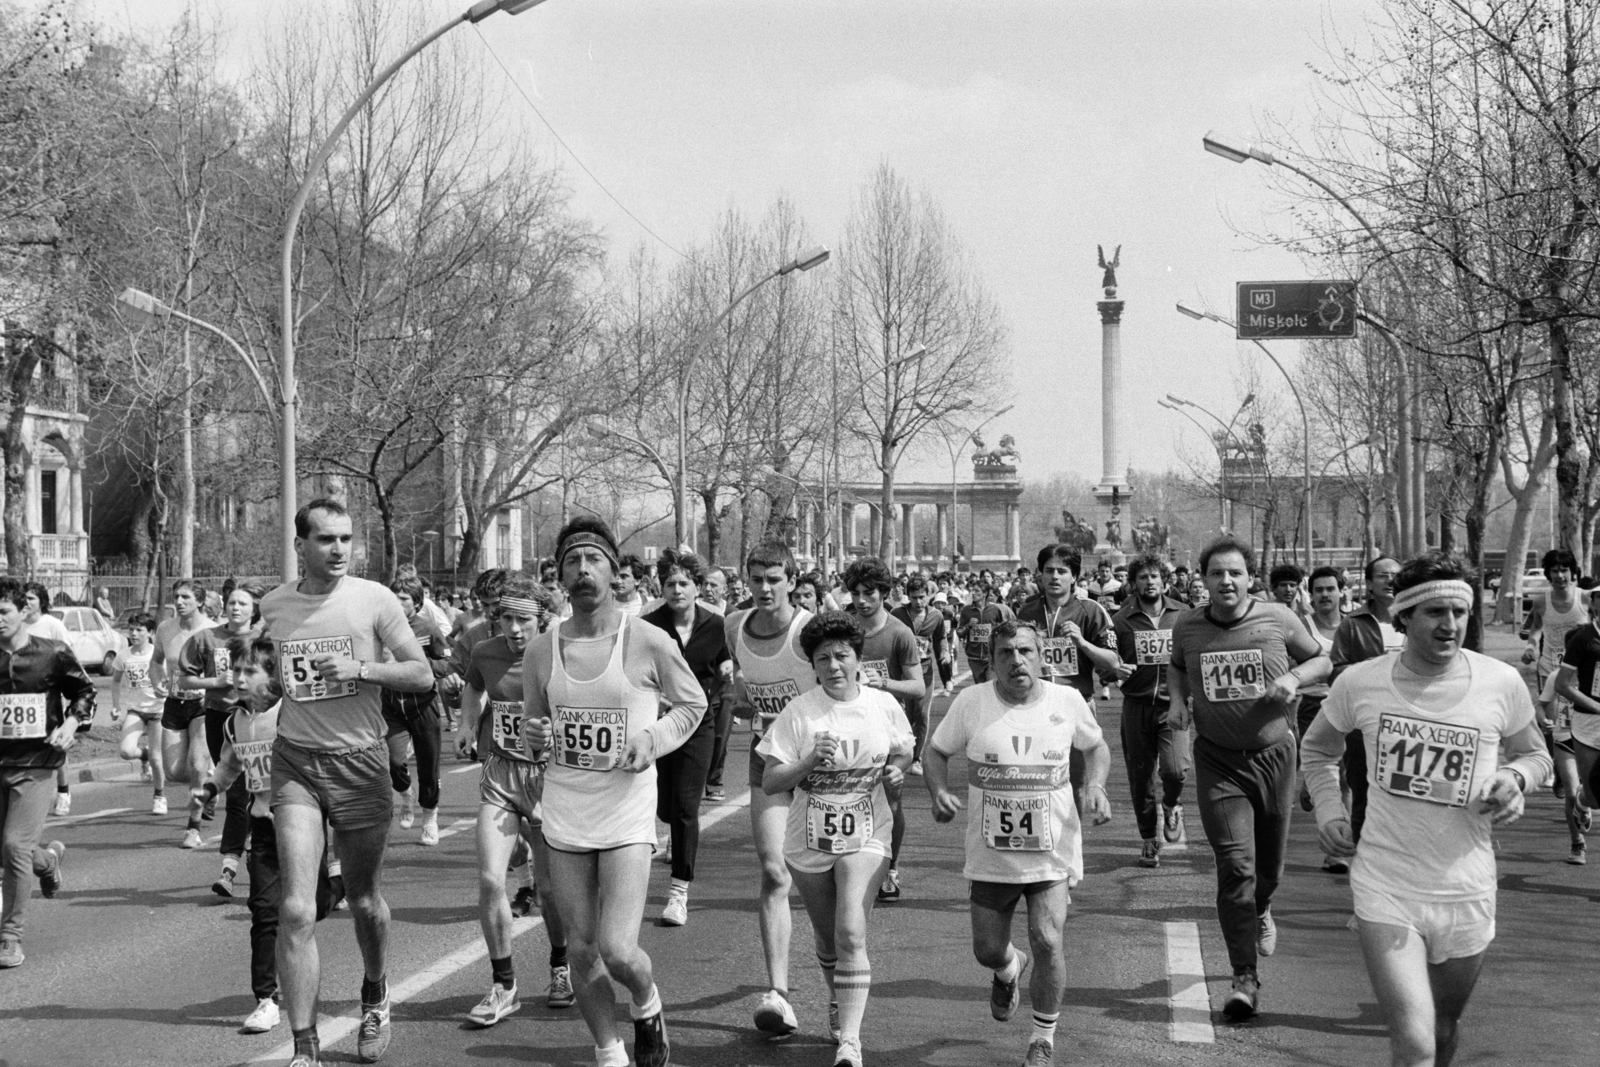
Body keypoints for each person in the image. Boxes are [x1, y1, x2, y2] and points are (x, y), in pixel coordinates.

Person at [1302, 553, 1551, 1067]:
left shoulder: (1499, 682)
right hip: (1386, 882)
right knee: (1414, 1043)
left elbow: (1536, 755)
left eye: (1460, 613)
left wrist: (1515, 778)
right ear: (1405, 617)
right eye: (1436, 612)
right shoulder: (1362, 683)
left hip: (1467, 886)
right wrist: (1329, 809)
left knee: (1442, 1030)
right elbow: (1317, 749)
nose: (1451, 625)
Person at [521, 517, 707, 1067]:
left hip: (626, 810)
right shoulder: (540, 650)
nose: (582, 572)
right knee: (579, 947)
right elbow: (536, 736)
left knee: (619, 950)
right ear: (559, 578)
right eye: (571, 564)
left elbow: (693, 706)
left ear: (614, 570)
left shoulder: (647, 639)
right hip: (566, 809)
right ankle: (609, 1051)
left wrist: (652, 737)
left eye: (593, 561)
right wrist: (537, 739)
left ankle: (647, 1001)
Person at [261, 499, 435, 1067]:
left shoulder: (374, 600)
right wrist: (251, 690)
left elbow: (422, 673)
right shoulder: (275, 605)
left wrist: (362, 669)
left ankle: (376, 990)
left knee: (363, 901)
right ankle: (305, 1045)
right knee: (295, 907)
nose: (338, 550)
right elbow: (271, 683)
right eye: (326, 539)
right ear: (300, 546)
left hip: (360, 763)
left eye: (345, 539)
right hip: (296, 762)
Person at [926, 619, 1112, 1067]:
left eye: (1026, 651)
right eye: (1006, 653)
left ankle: (1042, 1038)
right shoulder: (971, 702)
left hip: (1052, 848)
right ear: (991, 661)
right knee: (987, 949)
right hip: (991, 854)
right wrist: (938, 791)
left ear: (1042, 656)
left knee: (1048, 939)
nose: (1017, 661)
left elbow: (1096, 747)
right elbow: (934, 752)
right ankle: (1009, 968)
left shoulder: (1066, 700)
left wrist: (1097, 786)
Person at [1167, 536, 1330, 1020]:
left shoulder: (1277, 617)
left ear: (1249, 578)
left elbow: (1320, 658)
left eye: (1235, 573)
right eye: (1216, 573)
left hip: (1275, 754)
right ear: (1204, 580)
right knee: (1236, 865)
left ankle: (1261, 908)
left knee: (1268, 871)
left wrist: (1294, 680)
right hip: (1219, 761)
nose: (1226, 582)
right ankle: (1244, 976)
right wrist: (1178, 701)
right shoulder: (1189, 625)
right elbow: (1178, 667)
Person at [758, 610, 914, 1067]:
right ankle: (838, 999)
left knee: (851, 930)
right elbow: (770, 781)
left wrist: (898, 771)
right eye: (823, 658)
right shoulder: (799, 712)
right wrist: (808, 763)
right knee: (828, 940)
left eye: (842, 656)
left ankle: (850, 1041)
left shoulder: (883, 705)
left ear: (858, 658)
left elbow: (904, 749)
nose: (833, 666)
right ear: (813, 664)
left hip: (868, 831)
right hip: (808, 838)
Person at [199, 637, 333, 1035]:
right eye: (236, 671)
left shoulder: (292, 715)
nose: (238, 679)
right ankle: (266, 999)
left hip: (304, 823)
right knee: (264, 912)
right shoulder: (234, 721)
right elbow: (228, 766)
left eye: (248, 672)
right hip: (264, 826)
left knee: (315, 906)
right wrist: (208, 790)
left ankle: (304, 954)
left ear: (272, 676)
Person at [458, 575, 573, 1025]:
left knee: (548, 888)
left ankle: (560, 966)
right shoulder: (486, 652)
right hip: (502, 774)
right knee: (490, 879)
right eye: (506, 617)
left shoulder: (558, 652)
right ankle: (504, 986)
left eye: (523, 618)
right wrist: (467, 725)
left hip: (550, 778)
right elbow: (474, 687)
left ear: (541, 619)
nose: (514, 627)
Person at [724, 541, 817, 1040]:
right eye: (756, 578)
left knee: (827, 882)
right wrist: (740, 700)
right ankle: (778, 994)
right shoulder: (733, 625)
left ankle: (839, 986)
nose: (763, 588)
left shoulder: (810, 631)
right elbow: (746, 688)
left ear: (792, 580)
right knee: (773, 869)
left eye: (774, 578)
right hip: (769, 759)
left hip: (823, 766)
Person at [0, 577, 96, 969]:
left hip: (36, 764)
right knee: (10, 852)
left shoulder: (52, 653)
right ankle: (48, 862)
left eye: (2, 611)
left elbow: (85, 692)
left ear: (23, 611)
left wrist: (72, 724)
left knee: (13, 846)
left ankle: (10, 936)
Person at [641, 550, 730, 926]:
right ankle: (670, 831)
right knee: (663, 806)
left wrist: (728, 669)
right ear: (661, 588)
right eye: (670, 584)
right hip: (660, 723)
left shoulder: (716, 624)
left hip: (699, 723)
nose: (677, 590)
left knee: (685, 807)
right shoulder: (650, 625)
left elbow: (726, 659)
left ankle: (679, 893)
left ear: (697, 588)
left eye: (684, 583)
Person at [842, 558, 924, 903]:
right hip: (849, 725)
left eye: (869, 593)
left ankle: (890, 867)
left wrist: (885, 683)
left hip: (889, 729)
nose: (861, 600)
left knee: (891, 801)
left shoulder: (899, 633)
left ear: (884, 593)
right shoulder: (843, 627)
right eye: (856, 593)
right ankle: (848, 867)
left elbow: (918, 687)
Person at [181, 579, 268, 893]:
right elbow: (185, 680)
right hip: (222, 720)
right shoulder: (207, 638)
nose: (235, 608)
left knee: (246, 793)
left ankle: (229, 869)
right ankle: (235, 861)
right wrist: (215, 680)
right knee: (236, 790)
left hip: (258, 719)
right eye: (231, 602)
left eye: (243, 603)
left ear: (254, 608)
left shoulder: (264, 639)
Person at [1015, 546, 1120, 800]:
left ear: (1074, 576)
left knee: (1075, 786)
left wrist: (1083, 643)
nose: (1054, 577)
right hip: (1033, 707)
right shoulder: (1026, 612)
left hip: (1075, 706)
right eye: (1049, 571)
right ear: (1040, 575)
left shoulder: (1091, 610)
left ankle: (1074, 839)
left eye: (1062, 571)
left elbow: (1114, 662)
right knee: (1034, 784)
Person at [1110, 553, 1189, 867]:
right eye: (1143, 577)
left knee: (1176, 770)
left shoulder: (1184, 615)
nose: (1149, 582)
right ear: (1133, 584)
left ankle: (1171, 805)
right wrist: (1113, 671)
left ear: (1164, 580)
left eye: (1154, 576)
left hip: (1174, 706)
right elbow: (1108, 662)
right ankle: (1148, 838)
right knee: (1140, 777)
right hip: (1137, 706)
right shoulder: (1120, 619)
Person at [1330, 556, 1406, 850]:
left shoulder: (1418, 621)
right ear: (1370, 584)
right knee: (1363, 793)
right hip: (1366, 728)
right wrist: (1372, 672)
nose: (1390, 581)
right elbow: (1335, 672)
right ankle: (1363, 861)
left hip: (1411, 724)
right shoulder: (1353, 625)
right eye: (1383, 576)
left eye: (1395, 575)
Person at [384, 576, 454, 845]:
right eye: (394, 596)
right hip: (391, 705)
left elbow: (446, 665)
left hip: (422, 704)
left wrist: (420, 660)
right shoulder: (382, 627)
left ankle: (430, 818)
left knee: (429, 767)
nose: (397, 602)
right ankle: (405, 794)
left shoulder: (428, 628)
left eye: (403, 598)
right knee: (393, 761)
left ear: (416, 602)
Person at [155, 580, 218, 846]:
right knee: (174, 772)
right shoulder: (165, 628)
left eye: (186, 597)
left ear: (200, 602)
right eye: (176, 597)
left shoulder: (214, 631)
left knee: (196, 764)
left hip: (205, 704)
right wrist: (156, 679)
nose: (179, 602)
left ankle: (193, 828)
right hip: (174, 702)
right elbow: (156, 660)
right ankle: (212, 784)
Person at [1297, 566, 1348, 873]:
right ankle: (1312, 783)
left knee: (1346, 775)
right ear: (1311, 595)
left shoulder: (1355, 626)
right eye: (1319, 590)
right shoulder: (1302, 626)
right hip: (1312, 704)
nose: (1325, 595)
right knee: (1330, 770)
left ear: (1342, 591)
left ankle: (1338, 851)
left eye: (1331, 588)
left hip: (1347, 705)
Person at [1554, 579, 1600, 864]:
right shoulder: (1584, 639)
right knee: (1595, 798)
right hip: (1588, 724)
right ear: (1593, 603)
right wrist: (1596, 706)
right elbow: (1562, 685)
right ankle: (1582, 802)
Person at [890, 574, 947, 773]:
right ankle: (900, 751)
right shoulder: (897, 614)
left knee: (921, 714)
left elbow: (940, 639)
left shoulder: (936, 616)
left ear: (929, 595)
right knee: (903, 714)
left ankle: (916, 757)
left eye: (922, 597)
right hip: (902, 673)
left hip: (925, 672)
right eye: (914, 598)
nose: (918, 602)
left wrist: (945, 654)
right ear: (908, 597)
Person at [113, 611, 168, 814]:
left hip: (158, 710)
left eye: (139, 630)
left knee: (157, 757)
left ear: (150, 632)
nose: (134, 633)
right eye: (131, 629)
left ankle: (159, 796)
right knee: (126, 751)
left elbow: (169, 678)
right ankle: (142, 756)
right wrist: (115, 705)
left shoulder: (157, 655)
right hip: (136, 710)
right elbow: (116, 681)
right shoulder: (123, 655)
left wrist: (166, 691)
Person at [959, 584, 1013, 685]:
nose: (973, 593)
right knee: (980, 687)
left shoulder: (995, 610)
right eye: (972, 591)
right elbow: (960, 633)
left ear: (985, 593)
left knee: (991, 685)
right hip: (974, 658)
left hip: (991, 656)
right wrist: (968, 626)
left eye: (977, 591)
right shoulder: (966, 610)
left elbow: (1004, 629)